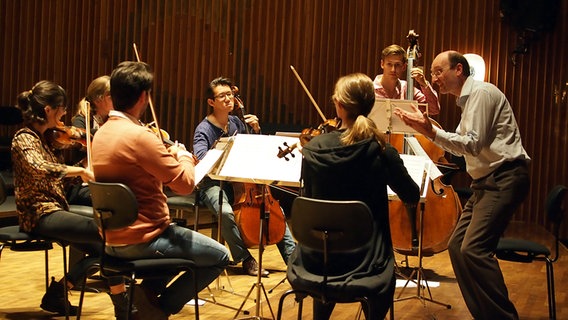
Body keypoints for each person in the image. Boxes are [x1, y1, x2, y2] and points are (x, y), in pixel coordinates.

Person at [394, 50, 531, 320]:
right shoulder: (466, 103)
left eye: (438, 71)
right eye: (432, 73)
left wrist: (429, 130)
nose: (434, 78)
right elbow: (458, 144)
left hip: (504, 177)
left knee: (474, 250)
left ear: (459, 70)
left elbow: (471, 144)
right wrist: (428, 135)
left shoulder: (480, 93)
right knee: (457, 247)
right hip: (486, 182)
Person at [91, 61, 230, 319]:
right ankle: (156, 311)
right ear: (144, 96)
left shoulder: (102, 133)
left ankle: (143, 298)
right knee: (219, 256)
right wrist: (183, 154)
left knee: (181, 240)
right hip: (144, 238)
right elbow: (185, 184)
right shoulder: (140, 136)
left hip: (110, 239)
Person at [290, 73, 420, 319]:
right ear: (371, 105)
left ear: (339, 105)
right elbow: (411, 195)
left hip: (318, 260)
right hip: (369, 263)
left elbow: (311, 201)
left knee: (328, 253)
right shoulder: (381, 151)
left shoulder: (314, 149)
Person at [11, 80, 101, 316]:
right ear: (48, 110)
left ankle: (60, 290)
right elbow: (39, 167)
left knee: (105, 247)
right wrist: (80, 171)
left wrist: (82, 164)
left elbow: (58, 178)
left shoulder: (48, 139)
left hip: (56, 209)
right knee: (100, 231)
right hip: (37, 213)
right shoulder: (23, 138)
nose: (65, 113)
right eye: (62, 107)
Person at [193, 76, 296, 277]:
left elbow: (254, 152)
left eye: (230, 94)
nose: (228, 99)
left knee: (275, 210)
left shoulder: (237, 122)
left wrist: (256, 131)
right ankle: (245, 259)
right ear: (211, 102)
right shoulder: (203, 130)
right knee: (225, 212)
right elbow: (203, 161)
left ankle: (293, 259)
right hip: (213, 184)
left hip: (240, 184)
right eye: (221, 96)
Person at [65, 75, 114, 206]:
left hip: (106, 181)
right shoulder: (82, 120)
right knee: (114, 200)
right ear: (99, 99)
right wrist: (109, 133)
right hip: (82, 184)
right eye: (112, 96)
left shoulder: (113, 120)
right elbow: (79, 140)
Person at [373, 44, 440, 115]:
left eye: (397, 65)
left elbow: (434, 110)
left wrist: (424, 84)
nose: (393, 69)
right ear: (382, 64)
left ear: (404, 67)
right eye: (389, 64)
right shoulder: (369, 90)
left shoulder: (408, 89)